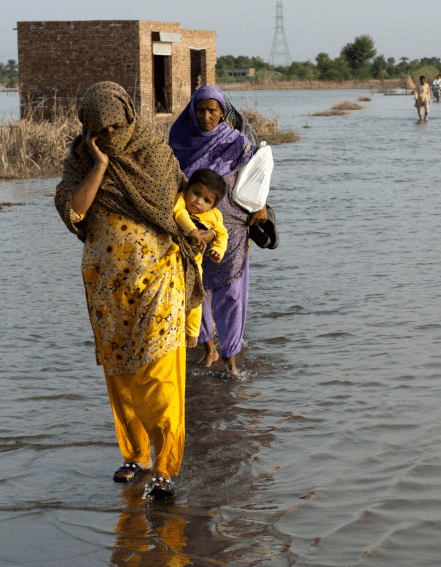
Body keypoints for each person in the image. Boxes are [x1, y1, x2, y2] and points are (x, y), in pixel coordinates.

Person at [54, 81, 202, 499]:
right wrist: (99, 165)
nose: (110, 136)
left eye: (116, 126)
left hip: (158, 283)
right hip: (107, 291)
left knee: (158, 376)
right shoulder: (81, 161)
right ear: (86, 129)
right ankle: (136, 454)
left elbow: (176, 208)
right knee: (121, 376)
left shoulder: (154, 155)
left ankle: (166, 466)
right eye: (99, 131)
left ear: (129, 118)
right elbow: (75, 212)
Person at [168, 85, 267, 376]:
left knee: (231, 291)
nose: (206, 116)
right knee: (194, 287)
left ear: (223, 113)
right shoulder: (179, 138)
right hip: (191, 229)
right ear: (192, 111)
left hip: (231, 230)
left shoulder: (236, 141)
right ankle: (208, 346)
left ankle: (231, 355)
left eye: (212, 110)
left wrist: (261, 205)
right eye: (200, 109)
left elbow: (255, 179)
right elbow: (171, 183)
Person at [172, 167, 229, 350]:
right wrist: (192, 231)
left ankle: (193, 332)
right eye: (195, 193)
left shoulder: (214, 215)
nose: (198, 202)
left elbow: (222, 234)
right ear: (187, 189)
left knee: (195, 297)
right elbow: (179, 213)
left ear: (213, 205)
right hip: (173, 259)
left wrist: (218, 251)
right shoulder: (180, 199)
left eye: (206, 200)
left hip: (195, 263)